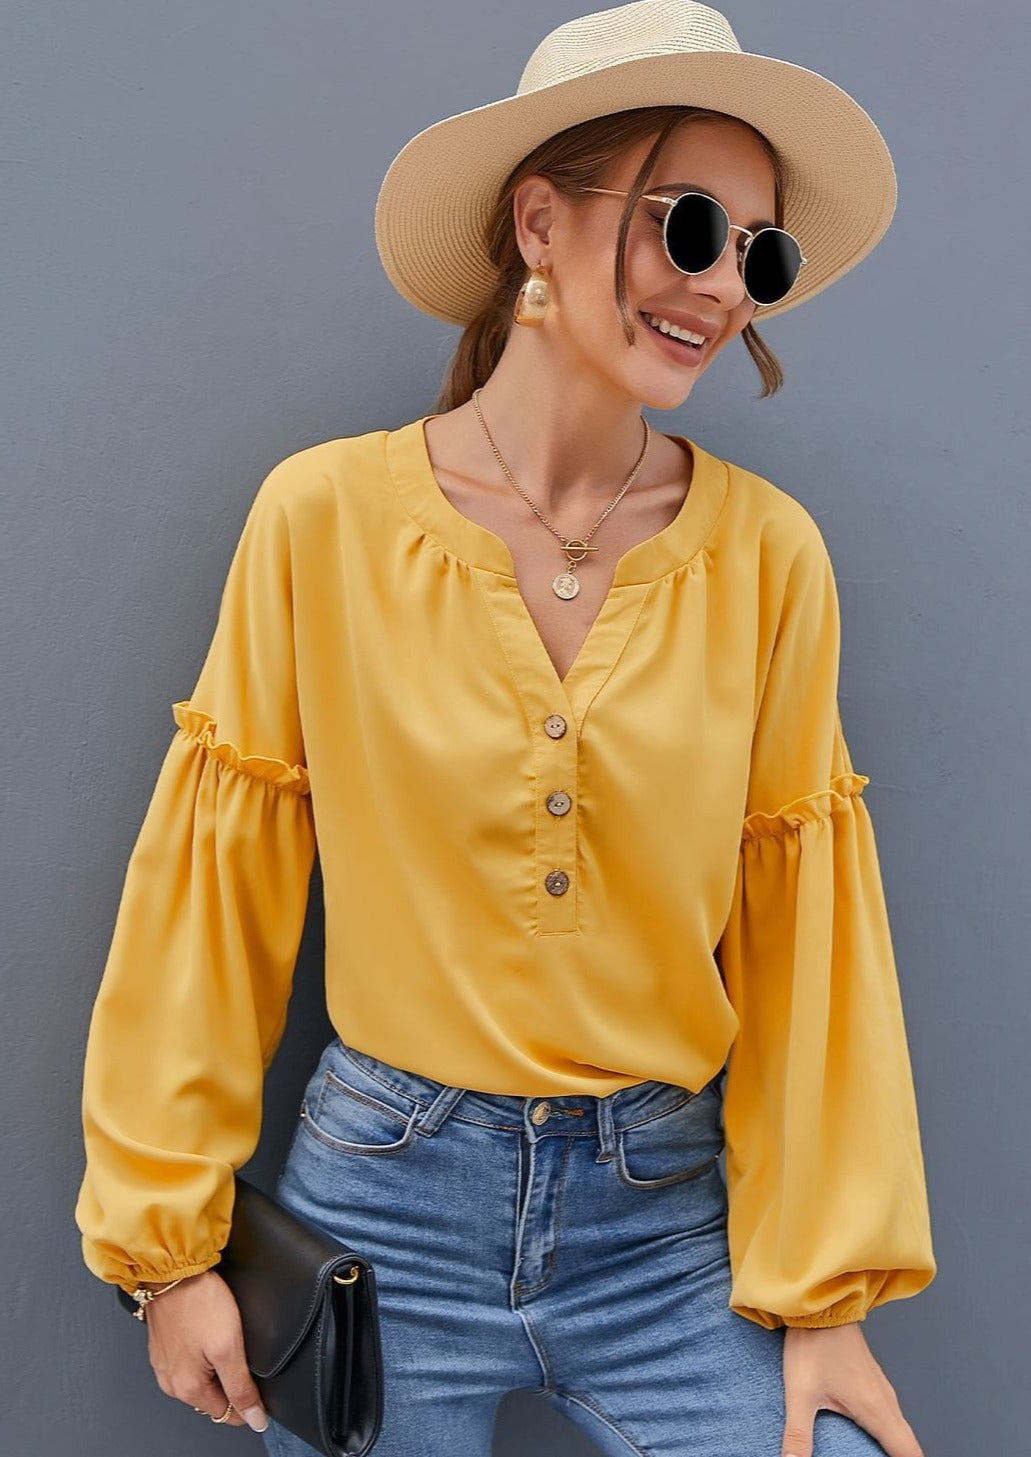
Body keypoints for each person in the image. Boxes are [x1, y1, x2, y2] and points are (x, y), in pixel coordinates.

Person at [74, 4, 937, 1455]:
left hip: (670, 1224)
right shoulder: (324, 519)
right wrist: (167, 1250)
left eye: (759, 255)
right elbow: (213, 903)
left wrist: (827, 1296)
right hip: (383, 1212)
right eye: (690, 226)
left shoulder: (767, 554)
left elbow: (808, 940)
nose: (723, 286)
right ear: (540, 222)